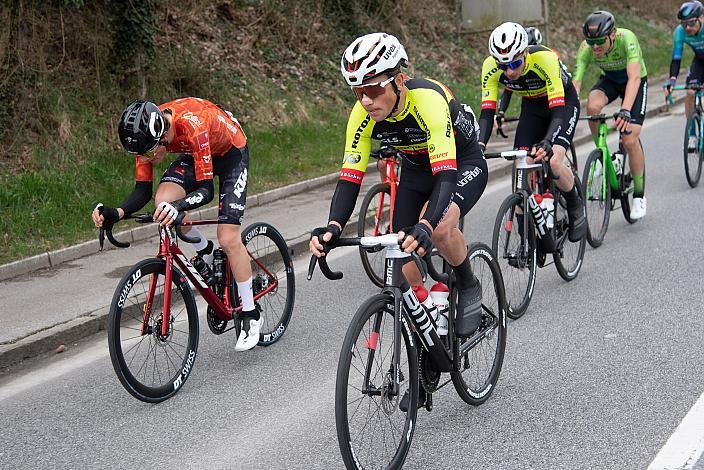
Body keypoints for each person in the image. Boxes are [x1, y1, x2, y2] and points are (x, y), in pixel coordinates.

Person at [309, 32, 488, 409]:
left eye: (373, 89)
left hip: (461, 162)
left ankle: (468, 283)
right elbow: (349, 177)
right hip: (417, 169)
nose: (366, 100)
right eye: (357, 91)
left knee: (437, 228)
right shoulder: (362, 114)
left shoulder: (428, 101)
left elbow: (446, 174)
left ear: (399, 80)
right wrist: (333, 227)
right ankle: (429, 337)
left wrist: (425, 227)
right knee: (399, 253)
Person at [91, 98, 261, 351]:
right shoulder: (146, 137)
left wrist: (179, 207)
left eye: (149, 153)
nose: (146, 159)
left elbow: (206, 191)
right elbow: (142, 191)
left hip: (230, 153)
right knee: (163, 202)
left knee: (227, 237)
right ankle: (205, 251)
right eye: (140, 155)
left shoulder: (193, 126)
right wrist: (116, 212)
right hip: (196, 154)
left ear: (162, 136)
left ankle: (250, 314)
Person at [479, 22, 586, 242]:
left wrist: (548, 140)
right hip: (532, 107)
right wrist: (479, 146)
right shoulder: (489, 67)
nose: (509, 71)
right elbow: (486, 113)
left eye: (515, 63)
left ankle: (576, 206)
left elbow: (557, 111)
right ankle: (525, 236)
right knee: (521, 167)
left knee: (554, 161)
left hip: (563, 105)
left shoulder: (545, 59)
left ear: (525, 52)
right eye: (503, 65)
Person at [572, 11, 649, 220]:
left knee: (630, 139)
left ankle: (640, 196)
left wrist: (625, 109)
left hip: (635, 83)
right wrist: (568, 107)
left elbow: (634, 78)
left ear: (612, 34)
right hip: (611, 81)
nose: (595, 47)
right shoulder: (586, 48)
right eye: (591, 42)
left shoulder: (627, 39)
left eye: (599, 42)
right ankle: (603, 156)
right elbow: (576, 82)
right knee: (593, 106)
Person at [666, 1, 704, 150]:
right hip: (700, 62)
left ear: (701, 18)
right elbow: (676, 59)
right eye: (684, 24)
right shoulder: (680, 32)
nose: (687, 27)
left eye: (691, 23)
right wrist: (672, 82)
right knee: (690, 92)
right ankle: (692, 135)